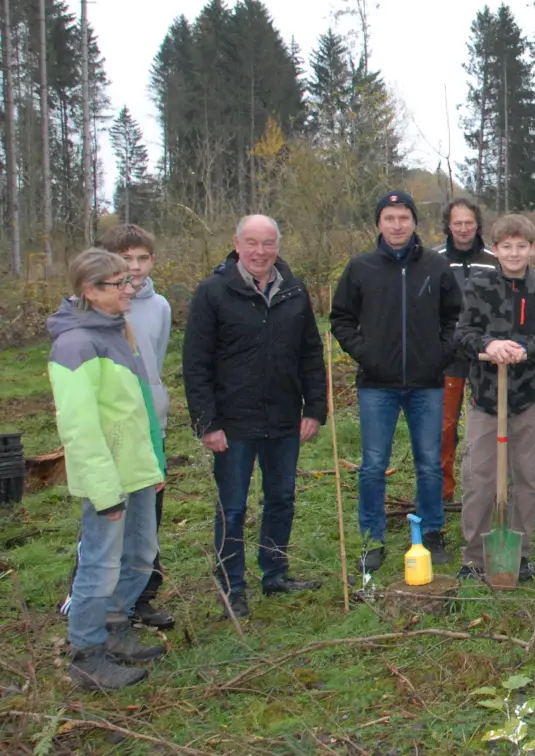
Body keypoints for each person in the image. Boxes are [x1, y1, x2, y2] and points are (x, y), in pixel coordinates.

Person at [183, 215, 327, 619]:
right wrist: (207, 423)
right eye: (252, 243)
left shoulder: (294, 291)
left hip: (284, 418)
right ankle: (232, 586)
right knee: (231, 507)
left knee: (280, 498)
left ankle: (275, 573)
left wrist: (314, 409)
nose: (260, 251)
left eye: (268, 243)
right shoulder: (213, 292)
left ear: (278, 245)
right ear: (236, 244)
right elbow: (196, 363)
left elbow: (311, 354)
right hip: (233, 423)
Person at [50, 248, 166, 690]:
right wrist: (104, 491)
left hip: (137, 470)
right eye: (119, 284)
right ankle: (86, 652)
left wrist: (154, 462)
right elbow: (79, 428)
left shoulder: (120, 329)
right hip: (108, 480)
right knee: (100, 565)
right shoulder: (75, 344)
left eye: (129, 281)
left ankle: (118, 628)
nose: (130, 288)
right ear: (90, 291)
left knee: (139, 556)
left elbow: (136, 409)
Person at [331, 191, 462, 574]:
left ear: (413, 222)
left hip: (427, 383)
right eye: (389, 218)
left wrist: (439, 355)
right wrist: (367, 354)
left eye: (403, 217)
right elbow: (340, 319)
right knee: (373, 465)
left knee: (429, 464)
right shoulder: (361, 268)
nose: (397, 225)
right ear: (378, 224)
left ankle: (433, 532)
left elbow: (456, 317)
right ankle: (372, 540)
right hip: (377, 385)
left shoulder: (436, 267)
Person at [454, 214, 535, 583]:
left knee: (528, 477)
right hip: (486, 398)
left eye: (522, 246)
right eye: (506, 246)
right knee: (480, 478)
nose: (514, 253)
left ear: (532, 249)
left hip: (529, 397)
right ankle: (474, 558)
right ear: (495, 249)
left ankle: (521, 554)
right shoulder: (478, 285)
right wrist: (490, 345)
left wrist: (526, 348)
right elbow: (463, 333)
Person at [435, 198, 500, 505]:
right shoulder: (433, 259)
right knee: (444, 427)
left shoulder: (492, 259)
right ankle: (443, 492)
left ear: (478, 224)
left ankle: (486, 490)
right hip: (446, 357)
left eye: (469, 223)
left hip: (484, 355)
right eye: (457, 223)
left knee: (489, 425)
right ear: (448, 225)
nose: (463, 229)